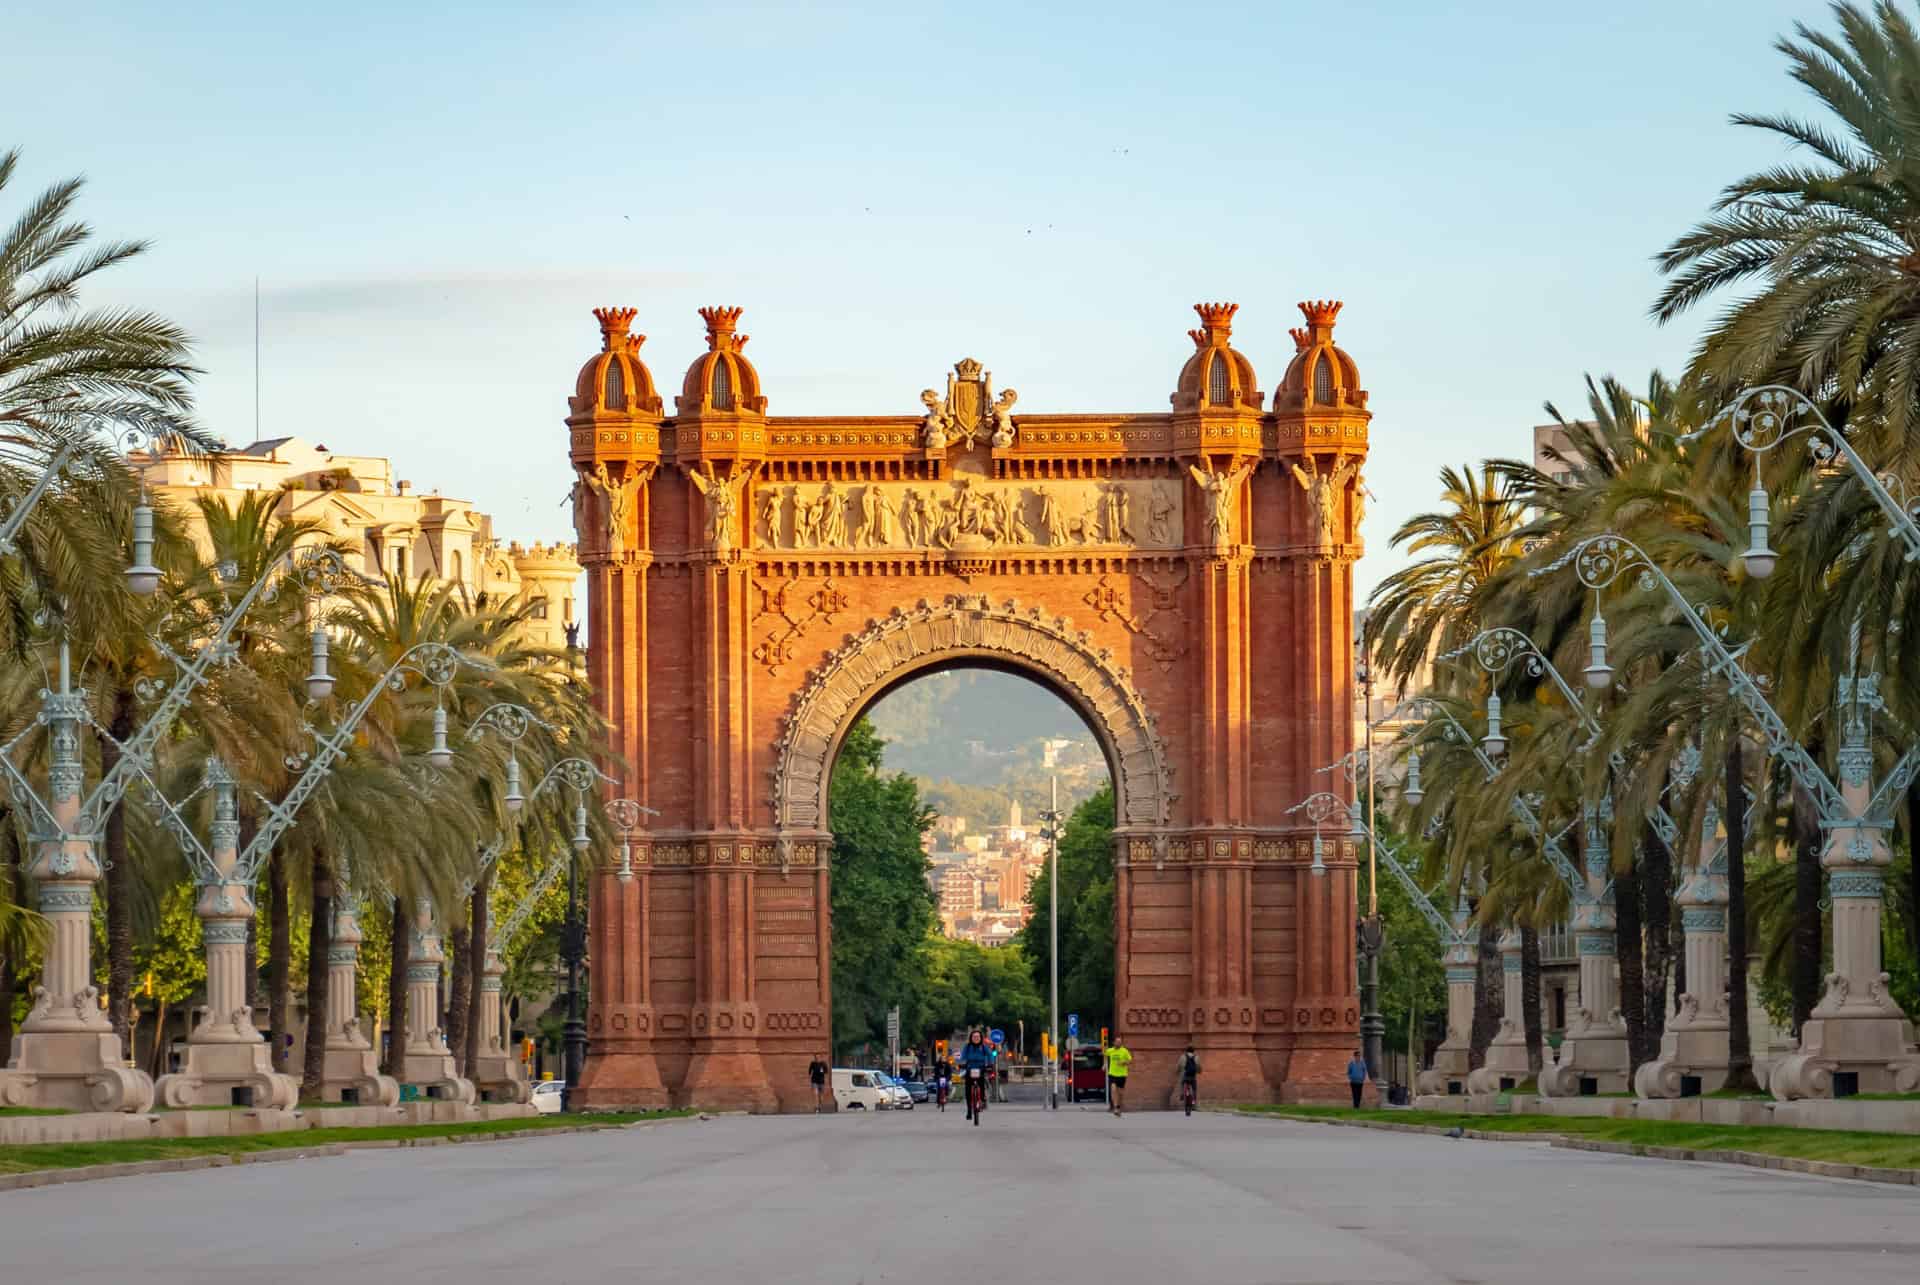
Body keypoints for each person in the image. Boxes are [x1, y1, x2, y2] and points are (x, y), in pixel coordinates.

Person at [958, 1029, 993, 1123]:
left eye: (978, 1037)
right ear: (971, 1038)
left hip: (981, 1068)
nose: (976, 1038)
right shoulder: (967, 1047)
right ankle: (969, 1110)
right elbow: (962, 1057)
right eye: (974, 1037)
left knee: (982, 1084)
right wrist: (961, 1064)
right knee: (968, 1089)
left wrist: (990, 1064)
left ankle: (982, 1098)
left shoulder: (984, 1047)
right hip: (970, 1068)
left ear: (980, 1038)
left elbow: (990, 1055)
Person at [1104, 1037, 1133, 1116]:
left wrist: (1124, 1062)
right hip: (1112, 1073)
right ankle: (1116, 1107)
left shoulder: (1124, 1051)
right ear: (1114, 1043)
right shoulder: (1110, 1050)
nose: (1118, 1043)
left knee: (1120, 1093)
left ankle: (1119, 1107)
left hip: (1122, 1074)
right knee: (1113, 1088)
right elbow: (1105, 1055)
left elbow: (1130, 1060)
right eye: (1117, 1042)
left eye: (1120, 1042)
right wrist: (1105, 1064)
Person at [1176, 1044, 1201, 1111]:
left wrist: (1177, 1072)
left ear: (1186, 1050)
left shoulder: (1182, 1057)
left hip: (1185, 1076)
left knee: (1182, 1084)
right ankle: (1194, 1101)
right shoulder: (1196, 1057)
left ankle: (1181, 1094)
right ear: (1193, 1051)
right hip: (1192, 1076)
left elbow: (1178, 1066)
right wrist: (1199, 1071)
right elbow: (1198, 1067)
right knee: (1194, 1089)